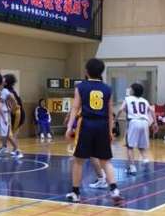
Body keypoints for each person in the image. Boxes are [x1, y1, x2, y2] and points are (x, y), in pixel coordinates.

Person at [65, 58, 122, 202]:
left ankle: (75, 193)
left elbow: (75, 108)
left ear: (86, 71)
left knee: (78, 160)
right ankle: (114, 189)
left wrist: (69, 126)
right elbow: (110, 113)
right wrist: (110, 131)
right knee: (105, 161)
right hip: (102, 125)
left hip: (86, 124)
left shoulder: (81, 87)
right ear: (101, 72)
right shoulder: (107, 88)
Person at [116, 82, 158, 175]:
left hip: (134, 122)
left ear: (133, 91)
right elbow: (152, 111)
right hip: (145, 122)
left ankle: (132, 167)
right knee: (141, 145)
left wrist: (116, 119)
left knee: (130, 146)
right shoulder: (145, 101)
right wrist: (155, 123)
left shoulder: (128, 99)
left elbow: (120, 109)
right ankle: (145, 159)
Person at [64, 111, 107, 188]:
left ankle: (101, 178)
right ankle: (102, 176)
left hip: (86, 125)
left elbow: (75, 112)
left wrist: (69, 125)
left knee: (86, 156)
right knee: (93, 154)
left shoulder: (82, 108)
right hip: (98, 124)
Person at [4, 73, 24, 159]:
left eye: (3, 79)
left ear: (6, 82)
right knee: (9, 133)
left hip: (17, 113)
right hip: (15, 112)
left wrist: (11, 111)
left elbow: (16, 104)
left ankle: (16, 150)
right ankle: (8, 148)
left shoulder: (9, 91)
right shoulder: (8, 90)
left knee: (11, 133)